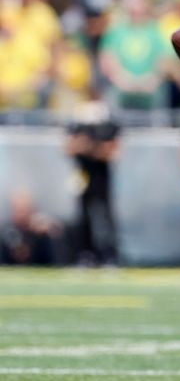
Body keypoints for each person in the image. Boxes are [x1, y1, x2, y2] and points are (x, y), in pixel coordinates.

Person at [65, 94, 120, 266]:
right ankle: (85, 254)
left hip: (101, 179)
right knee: (83, 217)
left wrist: (90, 148)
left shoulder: (107, 126)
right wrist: (92, 147)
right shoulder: (78, 125)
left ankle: (109, 255)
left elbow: (111, 152)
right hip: (83, 178)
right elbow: (70, 148)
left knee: (105, 217)